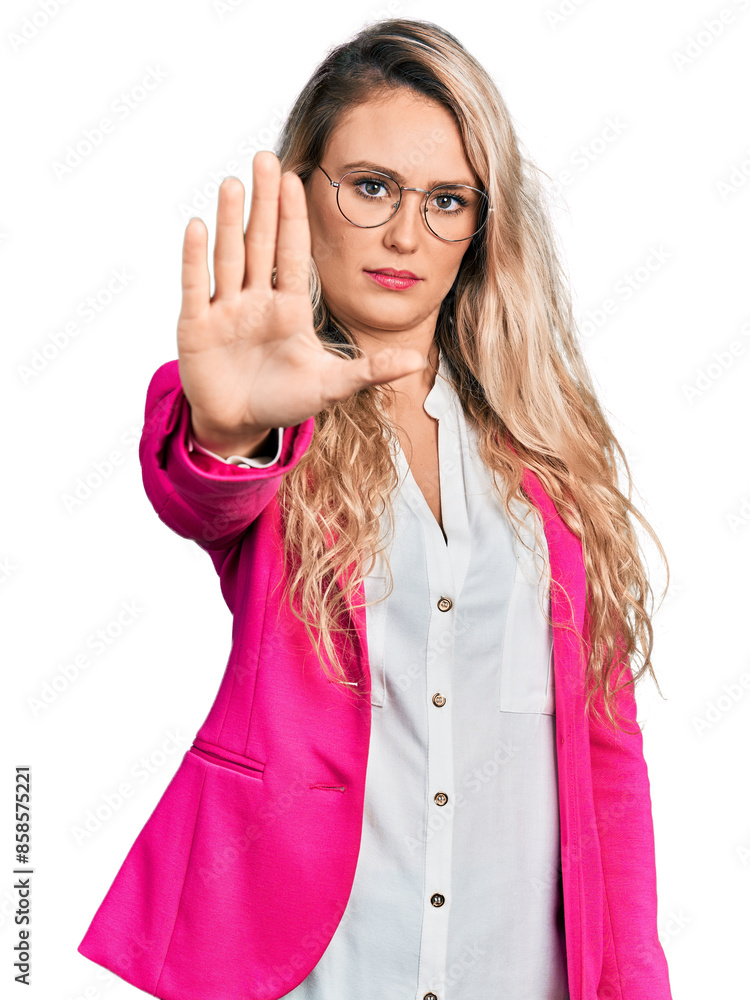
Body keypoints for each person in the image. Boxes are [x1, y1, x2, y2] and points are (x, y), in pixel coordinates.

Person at [77, 17, 674, 1000]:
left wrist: (636, 984)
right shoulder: (271, 420)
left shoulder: (553, 464)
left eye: (447, 200)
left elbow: (607, 767)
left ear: (482, 227)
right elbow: (203, 490)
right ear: (305, 188)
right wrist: (232, 431)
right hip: (317, 972)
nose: (406, 233)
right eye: (371, 187)